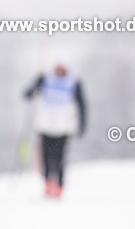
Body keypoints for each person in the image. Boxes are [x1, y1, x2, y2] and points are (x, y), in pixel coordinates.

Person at [23, 64, 87, 198]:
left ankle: (59, 184)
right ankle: (47, 183)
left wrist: (82, 124)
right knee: (46, 155)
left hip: (64, 125)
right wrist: (33, 87)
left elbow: (82, 103)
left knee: (60, 156)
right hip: (45, 124)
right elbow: (29, 93)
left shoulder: (73, 81)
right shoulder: (45, 78)